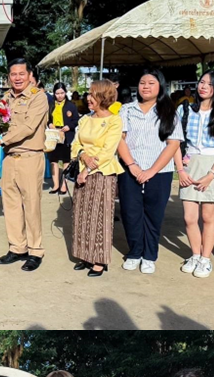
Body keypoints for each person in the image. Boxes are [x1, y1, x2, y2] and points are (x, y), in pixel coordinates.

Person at [117, 69, 183, 274]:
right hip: (130, 169)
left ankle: (149, 255)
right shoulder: (126, 110)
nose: (145, 87)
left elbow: (173, 144)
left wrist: (152, 170)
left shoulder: (169, 111)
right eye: (142, 83)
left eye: (151, 83)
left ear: (160, 87)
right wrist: (133, 166)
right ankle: (135, 252)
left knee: (154, 214)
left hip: (159, 172)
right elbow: (119, 139)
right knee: (130, 212)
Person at [173, 70, 214, 279]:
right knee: (189, 218)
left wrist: (211, 175)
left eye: (209, 84)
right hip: (190, 163)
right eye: (201, 82)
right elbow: (175, 143)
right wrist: (180, 170)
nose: (203, 86)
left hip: (213, 165)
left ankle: (205, 259)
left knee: (208, 216)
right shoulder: (186, 111)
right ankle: (195, 254)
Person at [0, 59, 50, 272]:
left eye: (21, 74)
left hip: (30, 156)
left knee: (32, 206)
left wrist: (0, 140)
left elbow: (28, 127)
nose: (17, 78)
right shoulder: (4, 98)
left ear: (29, 76)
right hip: (10, 157)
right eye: (13, 74)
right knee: (10, 205)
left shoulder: (39, 98)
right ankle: (17, 247)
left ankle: (35, 250)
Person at [70, 79, 124, 277]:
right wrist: (82, 155)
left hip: (102, 173)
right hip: (83, 170)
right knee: (81, 216)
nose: (88, 98)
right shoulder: (85, 119)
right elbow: (75, 144)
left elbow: (108, 151)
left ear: (103, 97)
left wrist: (87, 171)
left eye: (92, 94)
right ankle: (85, 255)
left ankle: (99, 260)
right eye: (88, 94)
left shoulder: (114, 121)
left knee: (99, 217)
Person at [47, 82, 79, 194]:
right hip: (53, 135)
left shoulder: (71, 106)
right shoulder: (50, 105)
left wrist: (68, 126)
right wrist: (49, 124)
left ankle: (64, 185)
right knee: (53, 160)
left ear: (65, 93)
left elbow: (76, 120)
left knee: (66, 160)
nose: (60, 95)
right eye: (57, 93)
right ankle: (55, 185)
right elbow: (46, 118)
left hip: (66, 135)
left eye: (62, 93)